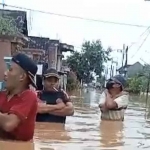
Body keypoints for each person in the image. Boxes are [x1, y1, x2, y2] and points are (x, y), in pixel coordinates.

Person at [0, 53, 38, 141]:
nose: (5, 73)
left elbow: (9, 124)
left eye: (10, 70)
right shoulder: (2, 94)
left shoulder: (29, 96)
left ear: (22, 77)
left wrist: (6, 118)